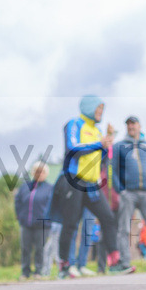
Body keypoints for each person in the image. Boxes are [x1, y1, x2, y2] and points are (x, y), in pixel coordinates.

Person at [50, 95, 123, 278]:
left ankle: (114, 262)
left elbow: (104, 157)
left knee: (107, 217)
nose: (101, 113)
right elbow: (72, 148)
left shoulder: (97, 131)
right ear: (89, 107)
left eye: (102, 110)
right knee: (71, 223)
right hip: (73, 180)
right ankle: (65, 265)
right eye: (98, 109)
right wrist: (100, 143)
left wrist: (108, 142)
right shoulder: (74, 124)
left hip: (91, 184)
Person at [113, 115, 146, 273]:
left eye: (133, 124)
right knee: (124, 229)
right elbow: (114, 170)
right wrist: (120, 190)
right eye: (128, 124)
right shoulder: (119, 146)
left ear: (139, 126)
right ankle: (125, 262)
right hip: (128, 193)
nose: (131, 127)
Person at [14, 161, 53, 279]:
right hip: (26, 223)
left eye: (42, 171)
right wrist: (20, 216)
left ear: (46, 173)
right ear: (33, 173)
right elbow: (18, 202)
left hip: (42, 224)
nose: (39, 173)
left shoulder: (49, 188)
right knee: (25, 248)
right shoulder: (25, 187)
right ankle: (25, 272)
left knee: (39, 249)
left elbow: (53, 205)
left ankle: (38, 271)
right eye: (37, 171)